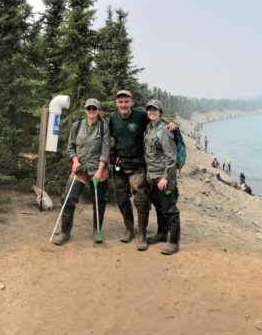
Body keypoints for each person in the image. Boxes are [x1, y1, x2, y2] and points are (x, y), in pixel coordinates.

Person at [108, 90, 173, 250]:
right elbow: (106, 137)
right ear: (116, 103)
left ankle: (142, 233)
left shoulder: (140, 116)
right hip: (119, 162)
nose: (123, 104)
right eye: (120, 102)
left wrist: (170, 124)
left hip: (137, 163)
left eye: (126, 101)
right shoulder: (113, 118)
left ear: (132, 102)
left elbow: (155, 121)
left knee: (141, 199)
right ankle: (129, 229)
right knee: (121, 197)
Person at [53, 99, 109, 245]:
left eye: (94, 108)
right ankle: (65, 232)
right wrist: (75, 161)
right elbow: (70, 147)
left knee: (99, 200)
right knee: (67, 198)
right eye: (89, 108)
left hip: (98, 168)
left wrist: (99, 171)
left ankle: (97, 231)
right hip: (80, 168)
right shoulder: (76, 126)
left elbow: (105, 151)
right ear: (85, 110)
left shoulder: (103, 128)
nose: (91, 110)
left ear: (98, 110)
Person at [144, 100, 181, 255]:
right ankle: (161, 233)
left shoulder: (165, 130)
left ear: (160, 112)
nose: (152, 112)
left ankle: (173, 242)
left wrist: (165, 178)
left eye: (155, 110)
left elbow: (171, 157)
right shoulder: (149, 128)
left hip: (163, 177)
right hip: (152, 176)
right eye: (150, 109)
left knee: (170, 210)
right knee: (159, 207)